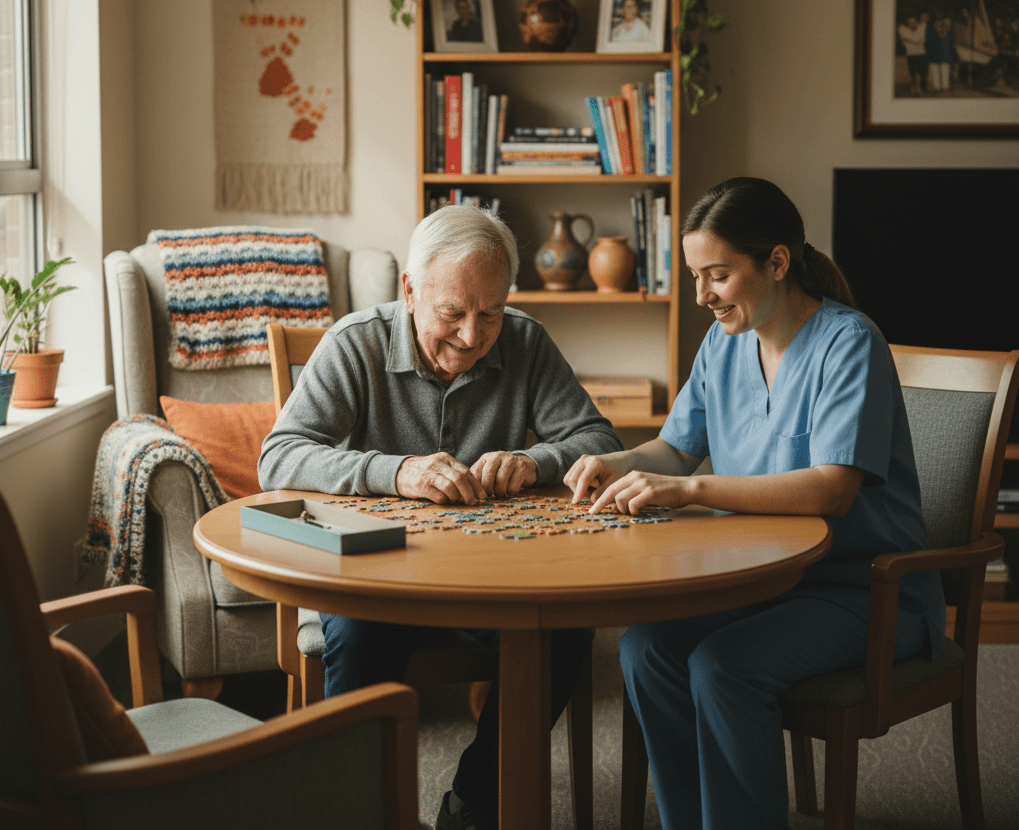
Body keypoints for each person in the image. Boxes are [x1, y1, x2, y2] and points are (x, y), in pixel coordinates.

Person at [565, 176, 945, 830]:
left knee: (724, 667)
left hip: (866, 592)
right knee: (643, 650)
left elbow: (832, 488)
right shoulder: (724, 343)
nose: (700, 296)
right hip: (763, 580)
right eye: (693, 276)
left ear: (776, 262)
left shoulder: (849, 343)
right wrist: (617, 462)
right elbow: (678, 449)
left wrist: (688, 492)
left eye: (716, 275)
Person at [259, 204, 622, 830]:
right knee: (360, 636)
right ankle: (362, 809)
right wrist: (395, 471)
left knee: (565, 632)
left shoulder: (524, 340)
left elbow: (601, 440)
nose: (471, 334)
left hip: (491, 576)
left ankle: (472, 805)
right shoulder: (356, 341)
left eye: (490, 313)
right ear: (409, 290)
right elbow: (279, 457)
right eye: (451, 313)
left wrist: (534, 461)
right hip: (377, 577)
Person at [897, 14, 928, 94]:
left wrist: (916, 37)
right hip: (911, 54)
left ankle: (922, 89)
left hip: (922, 54)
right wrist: (917, 38)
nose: (912, 23)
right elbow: (918, 39)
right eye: (910, 22)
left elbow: (920, 38)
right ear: (907, 23)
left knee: (923, 73)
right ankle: (914, 89)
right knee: (913, 73)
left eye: (914, 21)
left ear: (916, 22)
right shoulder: (903, 30)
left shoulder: (921, 27)